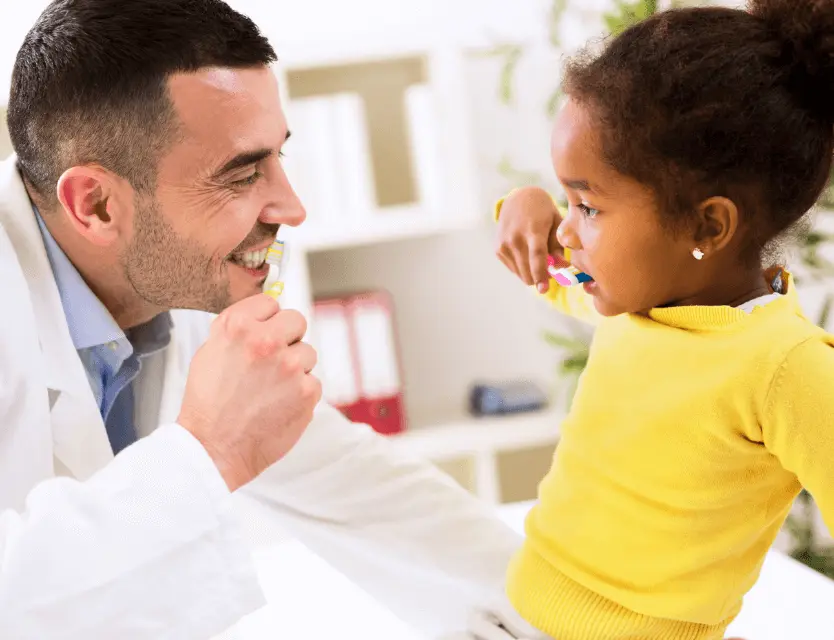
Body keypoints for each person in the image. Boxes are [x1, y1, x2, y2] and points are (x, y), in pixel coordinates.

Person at [0, 0, 525, 637]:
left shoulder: (166, 297)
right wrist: (210, 448)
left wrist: (569, 616)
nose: (293, 207)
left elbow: (361, 490)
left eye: (278, 158)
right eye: (243, 174)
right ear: (99, 205)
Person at [490, 0, 834, 639]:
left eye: (588, 205)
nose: (569, 228)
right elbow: (541, 261)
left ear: (708, 224)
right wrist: (525, 204)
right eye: (569, 199)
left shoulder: (785, 367)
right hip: (521, 618)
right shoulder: (626, 296)